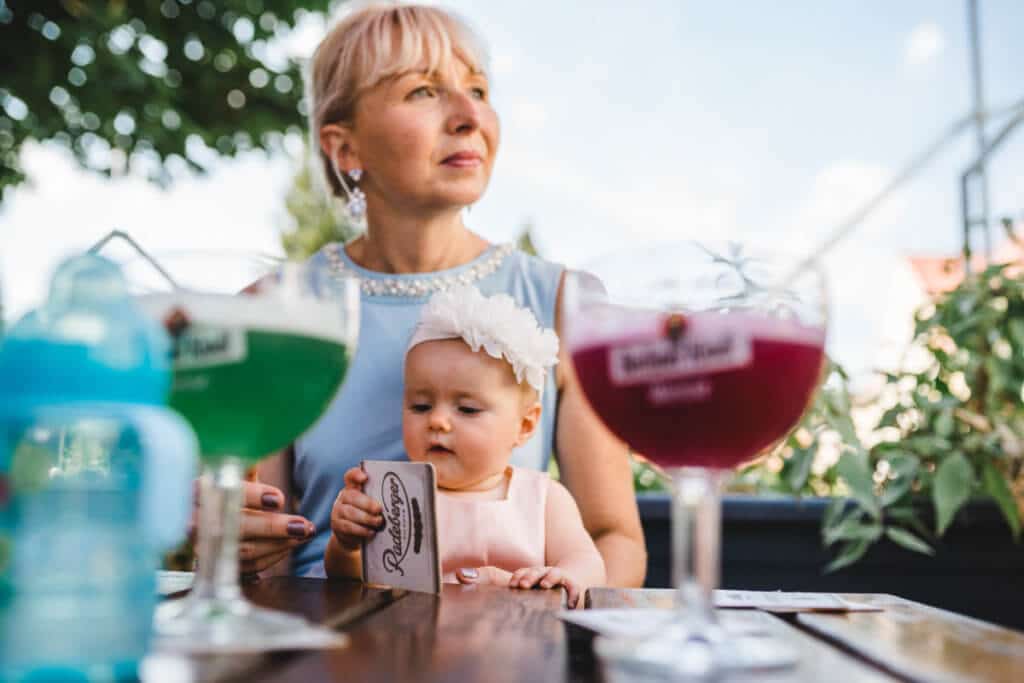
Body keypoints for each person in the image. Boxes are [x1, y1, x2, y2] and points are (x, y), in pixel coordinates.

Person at [231, 2, 646, 588]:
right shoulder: (273, 308)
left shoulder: (564, 301)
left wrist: (554, 617)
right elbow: (256, 544)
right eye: (424, 91)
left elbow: (612, 537)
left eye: (477, 88)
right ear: (345, 149)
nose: (468, 114)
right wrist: (234, 542)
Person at [324, 286, 606, 608]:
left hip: (516, 645)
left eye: (468, 409)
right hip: (411, 644)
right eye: (420, 406)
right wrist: (346, 545)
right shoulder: (394, 494)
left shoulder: (543, 498)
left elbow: (587, 562)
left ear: (525, 425)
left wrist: (564, 578)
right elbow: (348, 581)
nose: (438, 421)